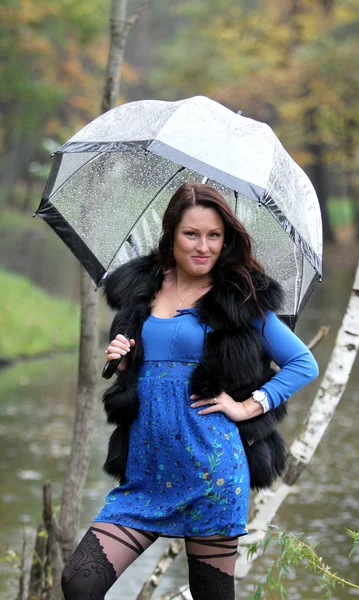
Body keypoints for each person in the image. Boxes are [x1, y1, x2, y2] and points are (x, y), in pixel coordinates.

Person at [61, 182, 319, 600]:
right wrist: (122, 358)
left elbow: (303, 364)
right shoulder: (143, 291)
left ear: (225, 239)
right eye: (192, 234)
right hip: (145, 475)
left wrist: (248, 407)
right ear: (170, 235)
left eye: (214, 235)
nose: (204, 246)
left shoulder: (240, 298)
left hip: (211, 473)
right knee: (80, 581)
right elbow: (135, 368)